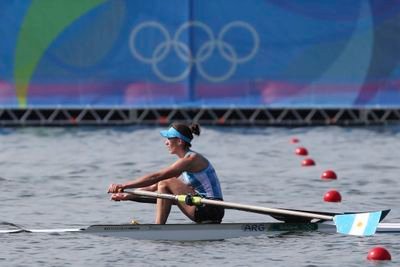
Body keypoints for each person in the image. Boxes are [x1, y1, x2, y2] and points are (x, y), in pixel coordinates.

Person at [108, 123, 224, 224]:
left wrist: (124, 185)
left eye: (168, 138)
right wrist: (127, 196)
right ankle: (159, 228)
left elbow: (156, 177)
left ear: (179, 141)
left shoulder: (191, 160)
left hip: (212, 208)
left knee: (164, 182)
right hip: (204, 207)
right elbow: (154, 187)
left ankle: (158, 229)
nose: (166, 143)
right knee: (162, 185)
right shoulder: (185, 162)